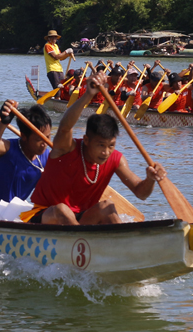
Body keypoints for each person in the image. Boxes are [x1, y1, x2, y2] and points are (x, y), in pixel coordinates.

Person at [25, 72, 166, 225]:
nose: (106, 152)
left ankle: (124, 244)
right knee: (62, 210)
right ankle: (84, 242)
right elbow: (65, 127)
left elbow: (141, 193)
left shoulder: (116, 160)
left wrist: (151, 179)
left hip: (81, 219)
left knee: (107, 206)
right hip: (45, 214)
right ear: (86, 140)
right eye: (101, 145)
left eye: (111, 146)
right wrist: (88, 95)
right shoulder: (66, 149)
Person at [0, 101, 51, 220]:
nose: (45, 144)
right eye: (39, 139)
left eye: (48, 137)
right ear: (23, 136)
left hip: (18, 212)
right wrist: (4, 123)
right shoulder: (7, 148)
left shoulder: (45, 156)